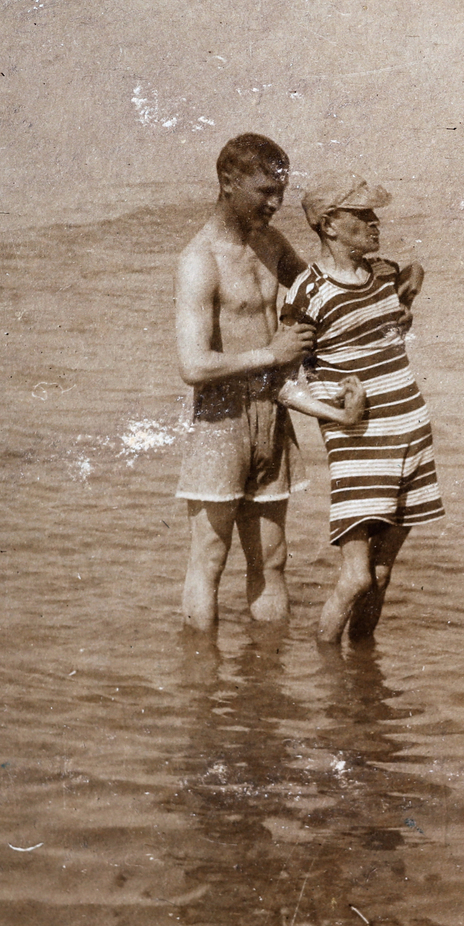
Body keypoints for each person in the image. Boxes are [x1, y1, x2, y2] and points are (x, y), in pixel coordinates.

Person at [174, 134, 364, 630]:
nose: (277, 203)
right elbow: (193, 365)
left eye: (281, 190)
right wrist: (272, 353)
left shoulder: (270, 243)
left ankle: (267, 688)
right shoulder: (200, 261)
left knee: (273, 561)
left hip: (273, 416)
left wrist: (385, 289)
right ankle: (200, 695)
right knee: (209, 561)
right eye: (264, 191)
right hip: (220, 424)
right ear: (227, 183)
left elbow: (322, 294)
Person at [279, 173, 444, 644]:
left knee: (383, 574)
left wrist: (406, 301)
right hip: (359, 439)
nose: (375, 224)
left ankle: (363, 691)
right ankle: (330, 681)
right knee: (356, 579)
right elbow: (283, 384)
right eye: (363, 216)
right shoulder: (309, 293)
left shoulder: (382, 272)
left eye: (374, 215)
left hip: (411, 427)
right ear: (330, 225)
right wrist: (339, 416)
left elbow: (414, 269)